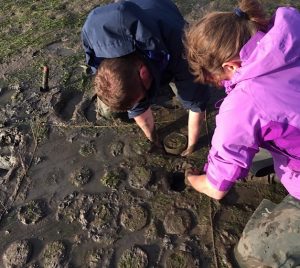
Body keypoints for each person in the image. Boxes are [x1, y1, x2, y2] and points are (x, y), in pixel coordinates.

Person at [184, 0, 300, 200]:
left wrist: (193, 179)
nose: (223, 86)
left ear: (231, 66)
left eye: (220, 81)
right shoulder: (292, 31)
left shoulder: (244, 104)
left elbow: (216, 189)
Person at [81, 0, 210, 156]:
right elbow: (136, 105)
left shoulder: (181, 43)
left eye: (141, 98)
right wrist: (153, 138)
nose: (141, 103)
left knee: (189, 93)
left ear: (143, 72)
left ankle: (164, 80)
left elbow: (196, 104)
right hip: (128, 27)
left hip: (161, 12)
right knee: (111, 109)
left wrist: (191, 146)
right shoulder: (92, 36)